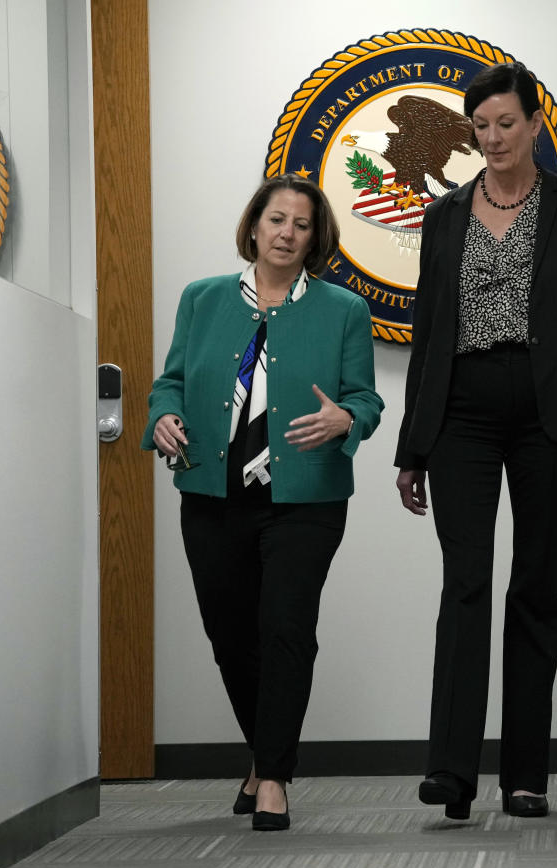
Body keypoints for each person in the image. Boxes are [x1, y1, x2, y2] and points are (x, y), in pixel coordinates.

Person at [394, 62, 557, 820]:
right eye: (480, 126)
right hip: (461, 408)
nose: (492, 138)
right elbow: (427, 332)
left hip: (546, 409)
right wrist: (410, 443)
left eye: (506, 124)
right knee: (465, 580)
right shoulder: (446, 215)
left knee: (533, 583)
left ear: (533, 125)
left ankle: (526, 774)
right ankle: (451, 771)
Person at [143, 173, 383, 831]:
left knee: (285, 629)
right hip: (212, 494)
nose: (287, 233)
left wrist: (347, 420)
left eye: (301, 225)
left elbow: (366, 398)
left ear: (316, 238)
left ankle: (273, 775)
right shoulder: (203, 299)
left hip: (304, 498)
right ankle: (263, 754)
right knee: (230, 635)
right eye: (277, 220)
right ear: (254, 225)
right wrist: (161, 417)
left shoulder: (343, 309)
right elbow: (170, 382)